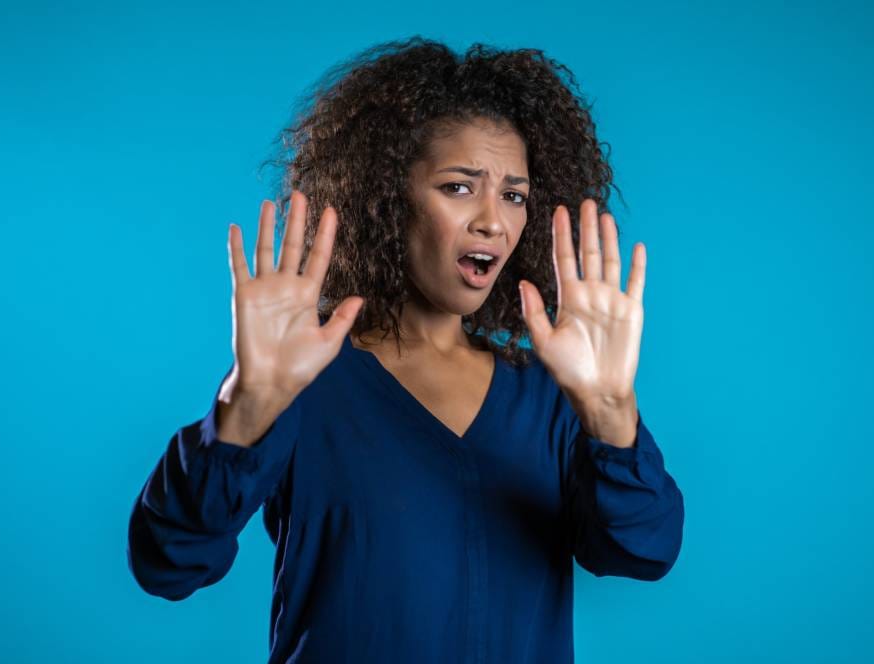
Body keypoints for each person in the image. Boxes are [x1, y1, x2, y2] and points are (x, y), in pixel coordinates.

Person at [126, 36, 685, 663]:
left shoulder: (550, 395)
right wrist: (245, 409)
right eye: (458, 187)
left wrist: (612, 412)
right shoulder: (303, 379)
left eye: (514, 195)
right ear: (389, 199)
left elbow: (643, 551)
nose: (493, 223)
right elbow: (166, 564)